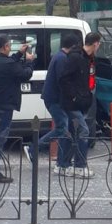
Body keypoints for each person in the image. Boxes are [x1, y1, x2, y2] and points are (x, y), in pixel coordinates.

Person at [0, 34, 35, 183]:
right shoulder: (7, 64)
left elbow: (8, 64)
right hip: (2, 107)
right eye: (9, 46)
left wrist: (19, 54)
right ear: (4, 47)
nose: (10, 48)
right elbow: (24, 75)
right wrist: (29, 62)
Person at [58, 31, 101, 176]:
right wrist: (75, 97)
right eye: (99, 44)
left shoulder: (86, 58)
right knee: (83, 131)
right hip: (73, 103)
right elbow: (64, 79)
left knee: (72, 132)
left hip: (80, 102)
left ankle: (63, 164)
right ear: (95, 44)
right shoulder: (76, 58)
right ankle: (80, 166)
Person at [32, 32, 78, 167]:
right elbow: (62, 81)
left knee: (63, 128)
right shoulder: (62, 59)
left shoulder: (59, 56)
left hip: (52, 98)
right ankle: (34, 147)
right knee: (62, 128)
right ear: (73, 46)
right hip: (55, 99)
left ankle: (62, 161)